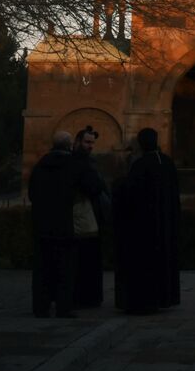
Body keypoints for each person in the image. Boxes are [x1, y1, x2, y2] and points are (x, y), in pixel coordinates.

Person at [28, 131, 101, 318]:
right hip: (66, 224)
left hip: (42, 224)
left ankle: (40, 307)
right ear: (70, 146)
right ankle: (63, 307)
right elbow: (94, 187)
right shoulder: (74, 165)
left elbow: (32, 193)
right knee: (65, 267)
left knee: (42, 268)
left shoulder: (40, 165)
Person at [114, 127, 180, 314]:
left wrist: (117, 185)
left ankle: (147, 300)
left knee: (146, 263)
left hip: (145, 225)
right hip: (165, 223)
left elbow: (130, 194)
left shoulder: (140, 165)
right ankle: (165, 297)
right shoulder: (167, 163)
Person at [71, 126, 111, 309]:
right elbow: (93, 186)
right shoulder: (78, 162)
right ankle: (86, 297)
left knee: (90, 259)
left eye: (92, 143)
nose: (90, 146)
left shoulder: (87, 161)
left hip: (91, 216)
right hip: (82, 217)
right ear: (77, 142)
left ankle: (89, 297)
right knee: (84, 259)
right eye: (87, 142)